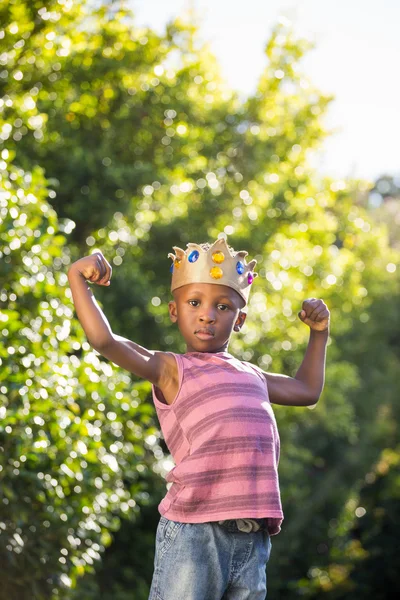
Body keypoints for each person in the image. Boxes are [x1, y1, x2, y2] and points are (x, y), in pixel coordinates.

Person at [67, 237, 330, 600]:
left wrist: (319, 334)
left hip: (252, 538)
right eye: (194, 303)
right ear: (175, 311)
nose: (207, 314)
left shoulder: (252, 375)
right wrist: (78, 278)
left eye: (222, 307)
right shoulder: (171, 369)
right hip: (195, 533)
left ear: (239, 320)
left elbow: (306, 390)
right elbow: (105, 340)